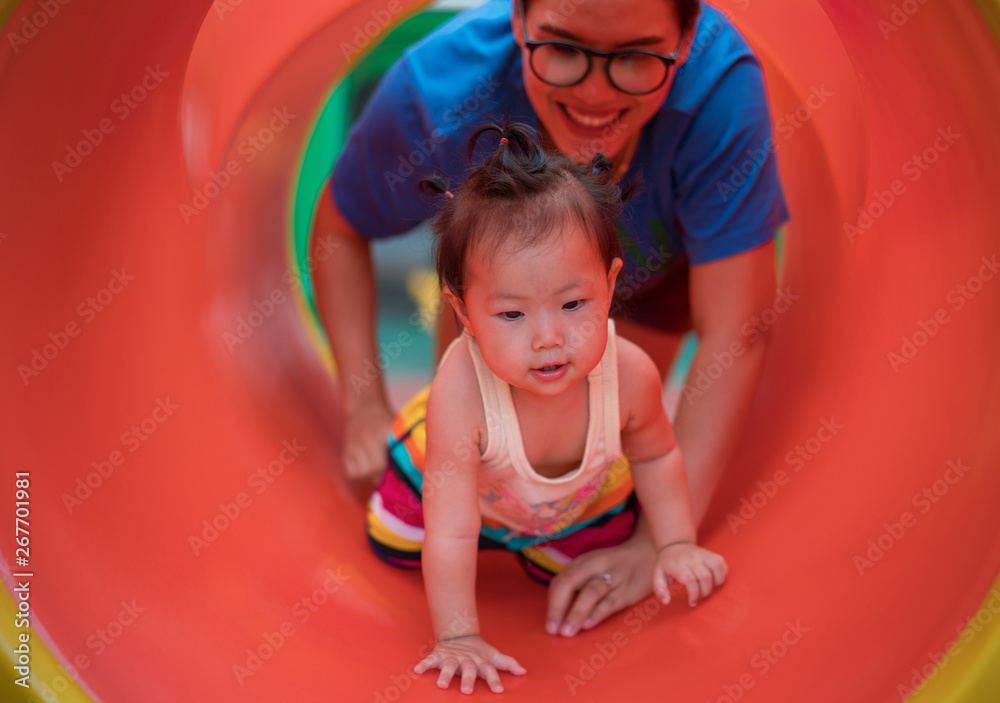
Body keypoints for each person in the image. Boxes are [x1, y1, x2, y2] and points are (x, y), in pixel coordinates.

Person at [312, 0, 785, 637]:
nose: (594, 92)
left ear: (688, 37)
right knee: (473, 426)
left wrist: (660, 544)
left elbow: (738, 328)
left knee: (597, 438)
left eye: (637, 56)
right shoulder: (443, 89)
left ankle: (554, 522)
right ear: (517, 19)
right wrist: (363, 405)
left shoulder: (718, 96)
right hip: (492, 277)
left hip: (657, 261)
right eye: (562, 49)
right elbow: (338, 229)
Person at [366, 123, 728, 694]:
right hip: (445, 491)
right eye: (512, 315)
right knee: (391, 540)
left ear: (609, 287)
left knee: (584, 579)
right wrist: (457, 635)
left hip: (561, 504)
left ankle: (536, 539)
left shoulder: (628, 372)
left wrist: (675, 541)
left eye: (574, 303)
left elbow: (657, 456)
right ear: (464, 314)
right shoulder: (461, 396)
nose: (548, 338)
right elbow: (453, 531)